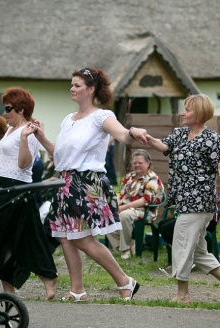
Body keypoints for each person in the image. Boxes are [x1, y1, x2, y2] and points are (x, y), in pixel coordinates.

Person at [31, 67, 147, 301]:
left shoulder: (102, 116)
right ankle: (77, 290)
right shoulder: (68, 120)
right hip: (65, 182)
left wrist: (132, 131)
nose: (72, 88)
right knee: (65, 236)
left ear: (91, 89)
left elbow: (123, 135)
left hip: (86, 183)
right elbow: (60, 157)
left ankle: (125, 281)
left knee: (83, 238)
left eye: (77, 85)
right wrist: (42, 137)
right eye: (71, 85)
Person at [146, 94, 220, 304]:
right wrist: (146, 138)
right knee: (198, 249)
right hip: (183, 199)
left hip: (200, 200)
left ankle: (183, 295)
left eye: (188, 110)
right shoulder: (179, 133)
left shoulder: (212, 139)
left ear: (200, 113)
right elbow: (163, 146)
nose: (183, 113)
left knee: (181, 243)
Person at [0, 87, 59, 300]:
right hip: (3, 186)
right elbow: (1, 161)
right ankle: (12, 290)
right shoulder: (10, 130)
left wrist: (25, 138)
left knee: (1, 236)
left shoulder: (30, 131)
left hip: (18, 189)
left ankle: (46, 277)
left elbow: (24, 164)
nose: (4, 112)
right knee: (10, 240)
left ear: (21, 109)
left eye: (8, 108)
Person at [107, 149, 164, 259]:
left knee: (124, 215)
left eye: (140, 163)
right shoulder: (130, 176)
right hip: (126, 208)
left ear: (148, 163)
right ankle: (120, 246)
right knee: (106, 214)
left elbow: (146, 199)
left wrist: (124, 207)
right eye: (135, 163)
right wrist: (115, 204)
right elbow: (120, 193)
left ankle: (125, 249)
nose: (137, 165)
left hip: (144, 210)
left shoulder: (152, 178)